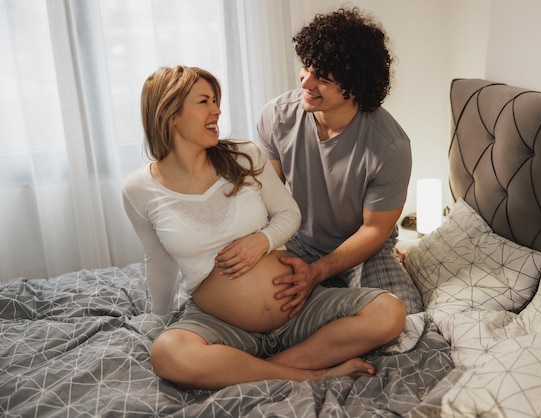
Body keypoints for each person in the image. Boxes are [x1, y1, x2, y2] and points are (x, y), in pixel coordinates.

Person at [122, 65, 406, 391]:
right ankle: (310, 373)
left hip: (297, 308)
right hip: (223, 324)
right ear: (170, 114)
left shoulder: (244, 156)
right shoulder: (139, 190)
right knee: (168, 354)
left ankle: (255, 369)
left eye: (216, 100)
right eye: (204, 101)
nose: (217, 110)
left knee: (389, 311)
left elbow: (288, 213)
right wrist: (159, 322)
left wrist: (262, 240)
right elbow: (159, 262)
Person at [256, 7, 423, 316]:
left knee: (406, 314)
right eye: (307, 67)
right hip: (298, 239)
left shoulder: (390, 146)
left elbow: (373, 230)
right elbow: (266, 199)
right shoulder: (276, 117)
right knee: (256, 306)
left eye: (322, 77)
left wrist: (318, 272)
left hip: (363, 246)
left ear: (355, 85)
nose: (306, 82)